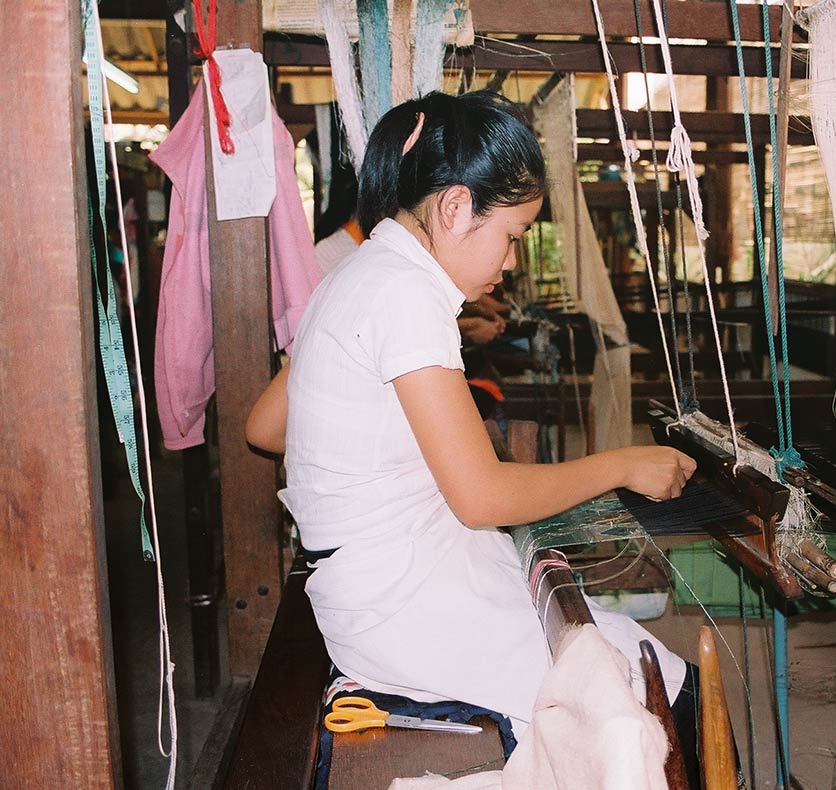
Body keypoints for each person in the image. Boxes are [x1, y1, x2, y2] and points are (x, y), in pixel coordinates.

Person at [271, 91, 698, 752]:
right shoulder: (406, 294)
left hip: (384, 582)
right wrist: (624, 464)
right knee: (652, 699)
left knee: (623, 653)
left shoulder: (358, 276)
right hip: (401, 604)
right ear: (454, 207)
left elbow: (273, 427)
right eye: (511, 236)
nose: (510, 261)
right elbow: (482, 499)